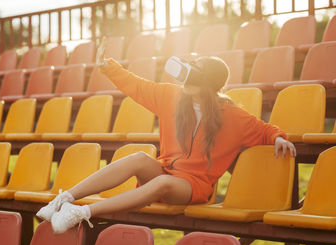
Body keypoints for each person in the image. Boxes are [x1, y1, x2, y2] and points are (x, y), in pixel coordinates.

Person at [37, 39, 296, 234]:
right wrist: (110, 67)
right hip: (164, 170)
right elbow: (137, 86)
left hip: (192, 186)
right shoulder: (171, 96)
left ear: (210, 84)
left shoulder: (231, 115)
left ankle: (81, 213)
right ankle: (64, 199)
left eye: (195, 74)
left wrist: (279, 137)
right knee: (139, 157)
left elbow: (264, 129)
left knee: (163, 184)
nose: (186, 79)